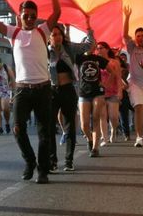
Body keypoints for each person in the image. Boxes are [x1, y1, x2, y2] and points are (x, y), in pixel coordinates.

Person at [0, 0, 60, 183]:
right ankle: (30, 161)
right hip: (22, 90)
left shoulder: (43, 31)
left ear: (37, 17)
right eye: (25, 15)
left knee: (45, 131)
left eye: (32, 15)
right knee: (18, 129)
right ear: (19, 16)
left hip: (43, 89)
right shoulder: (14, 33)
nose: (29, 18)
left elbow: (57, 12)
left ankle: (43, 170)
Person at [49, 20, 94, 171]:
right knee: (49, 127)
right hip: (52, 91)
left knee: (70, 127)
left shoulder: (69, 48)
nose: (57, 37)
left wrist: (88, 28)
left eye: (59, 34)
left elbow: (88, 45)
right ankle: (52, 161)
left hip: (68, 90)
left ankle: (69, 161)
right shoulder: (45, 51)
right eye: (54, 34)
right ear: (49, 37)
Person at [122, 6, 143, 148]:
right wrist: (127, 17)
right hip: (134, 82)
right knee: (139, 107)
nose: (140, 38)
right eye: (138, 36)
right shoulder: (132, 48)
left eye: (142, 35)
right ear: (135, 38)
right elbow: (124, 35)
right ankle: (139, 137)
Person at [76, 41, 109, 157]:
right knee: (84, 124)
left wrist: (104, 83)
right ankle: (90, 139)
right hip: (83, 92)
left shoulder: (98, 59)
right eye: (87, 45)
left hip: (97, 92)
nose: (89, 47)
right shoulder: (78, 58)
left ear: (94, 47)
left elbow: (112, 71)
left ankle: (95, 147)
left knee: (95, 118)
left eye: (92, 45)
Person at [99, 43, 124, 146]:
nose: (99, 50)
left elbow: (118, 77)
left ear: (107, 49)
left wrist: (120, 90)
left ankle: (113, 129)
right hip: (100, 92)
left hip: (113, 92)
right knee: (102, 116)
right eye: (98, 48)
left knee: (114, 117)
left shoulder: (114, 62)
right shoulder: (96, 62)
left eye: (101, 48)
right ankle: (104, 138)